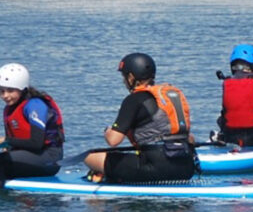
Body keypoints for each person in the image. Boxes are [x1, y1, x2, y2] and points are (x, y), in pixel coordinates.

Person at [84, 52, 196, 184]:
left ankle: (105, 174)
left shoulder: (134, 99)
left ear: (131, 78)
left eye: (124, 76)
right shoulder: (168, 97)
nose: (123, 81)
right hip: (187, 168)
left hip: (156, 168)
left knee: (89, 157)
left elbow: (113, 141)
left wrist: (107, 131)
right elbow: (190, 139)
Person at [0, 63, 63, 191]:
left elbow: (36, 143)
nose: (5, 95)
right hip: (30, 156)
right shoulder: (10, 108)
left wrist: (7, 141)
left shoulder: (35, 105)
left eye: (10, 91)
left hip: (49, 158)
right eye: (2, 91)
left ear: (22, 89)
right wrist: (8, 146)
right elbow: (15, 142)